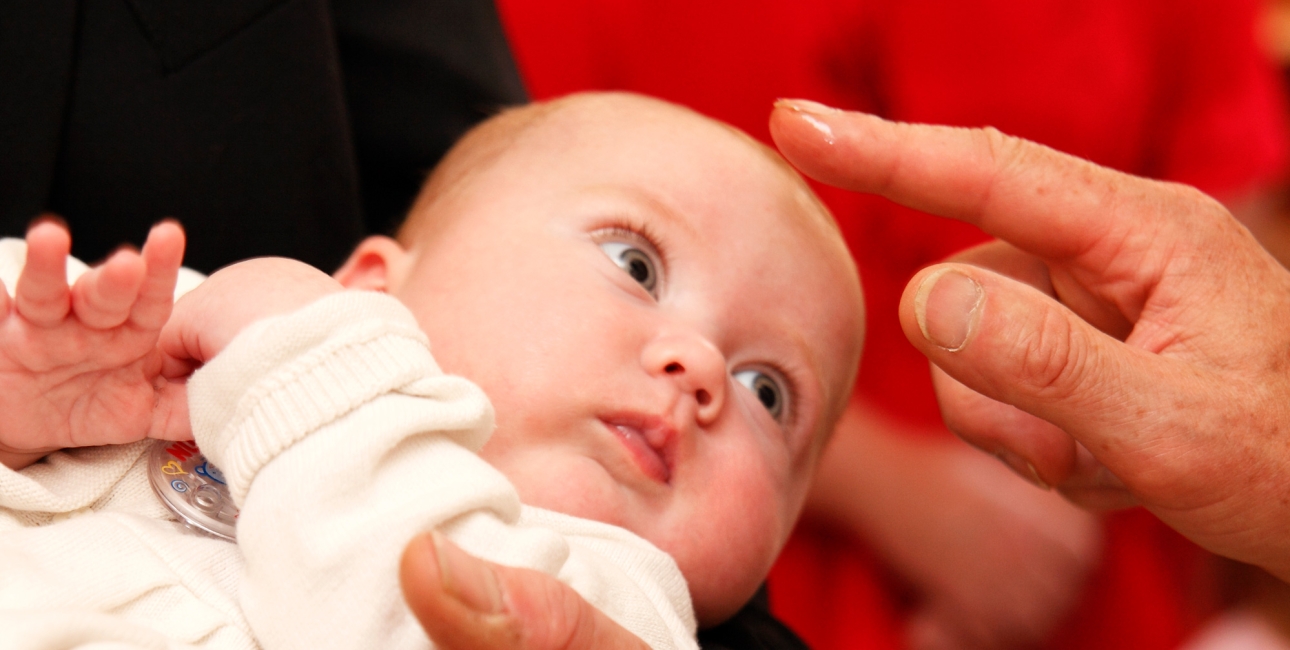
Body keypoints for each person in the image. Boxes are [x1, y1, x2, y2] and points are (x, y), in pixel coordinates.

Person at [0, 92, 864, 649]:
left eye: (770, 393)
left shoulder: (611, 607)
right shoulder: (203, 334)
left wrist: (311, 369)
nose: (702, 368)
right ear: (376, 286)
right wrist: (27, 421)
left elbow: (398, 611)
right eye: (635, 265)